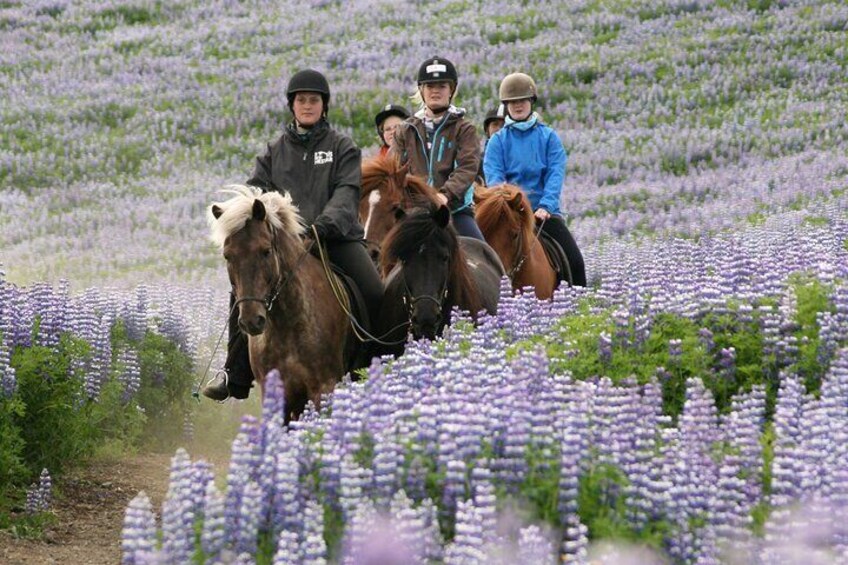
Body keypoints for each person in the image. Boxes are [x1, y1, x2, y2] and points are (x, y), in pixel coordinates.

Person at [202, 69, 384, 401]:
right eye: (301, 100)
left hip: (333, 239)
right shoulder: (275, 151)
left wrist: (320, 227)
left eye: (314, 100)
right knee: (244, 290)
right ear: (292, 105)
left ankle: (381, 366)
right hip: (283, 245)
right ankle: (235, 373)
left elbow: (346, 196)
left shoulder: (342, 147)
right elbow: (255, 193)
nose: (307, 106)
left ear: (324, 106)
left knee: (374, 291)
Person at [483, 72, 586, 287]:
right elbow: (495, 179)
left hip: (544, 213)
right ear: (506, 105)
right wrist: (511, 207)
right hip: (511, 214)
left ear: (531, 102)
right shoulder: (497, 141)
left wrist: (547, 205)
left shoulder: (549, 137)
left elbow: (555, 173)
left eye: (522, 100)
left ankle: (580, 306)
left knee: (575, 261)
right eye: (512, 102)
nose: (518, 105)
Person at [390, 56, 485, 241]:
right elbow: (393, 168)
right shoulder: (405, 130)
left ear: (451, 90)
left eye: (442, 86)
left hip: (454, 210)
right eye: (430, 86)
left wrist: (444, 195)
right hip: (413, 212)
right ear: (421, 90)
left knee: (484, 253)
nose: (435, 91)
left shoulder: (465, 129)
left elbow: (467, 168)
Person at [479, 104, 506, 184]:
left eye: (504, 125)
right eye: (495, 124)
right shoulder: (478, 161)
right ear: (487, 130)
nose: (499, 129)